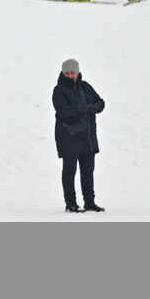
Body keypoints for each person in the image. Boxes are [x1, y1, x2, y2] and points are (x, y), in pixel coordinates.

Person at [52, 58, 105, 213]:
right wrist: (81, 108)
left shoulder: (85, 87)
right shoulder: (59, 90)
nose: (70, 75)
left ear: (78, 72)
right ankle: (71, 203)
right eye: (67, 73)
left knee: (88, 171)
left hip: (87, 138)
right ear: (63, 73)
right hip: (68, 137)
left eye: (73, 72)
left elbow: (100, 103)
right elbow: (62, 111)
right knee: (70, 170)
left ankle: (89, 202)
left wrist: (90, 108)